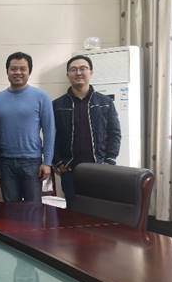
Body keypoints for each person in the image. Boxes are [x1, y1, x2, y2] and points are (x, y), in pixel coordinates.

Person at [52, 55, 121, 202]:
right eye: (73, 69)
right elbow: (52, 136)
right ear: (68, 75)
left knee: (99, 209)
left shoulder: (105, 102)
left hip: (100, 169)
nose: (78, 73)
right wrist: (58, 162)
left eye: (83, 68)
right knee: (73, 210)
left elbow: (114, 133)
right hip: (70, 170)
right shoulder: (57, 105)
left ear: (91, 72)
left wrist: (109, 161)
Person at [0, 52, 55, 203]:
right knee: (10, 209)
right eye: (13, 69)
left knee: (33, 208)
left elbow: (49, 131)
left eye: (22, 69)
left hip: (32, 162)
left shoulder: (41, 97)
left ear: (29, 71)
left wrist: (47, 162)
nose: (18, 72)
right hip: (5, 162)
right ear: (7, 71)